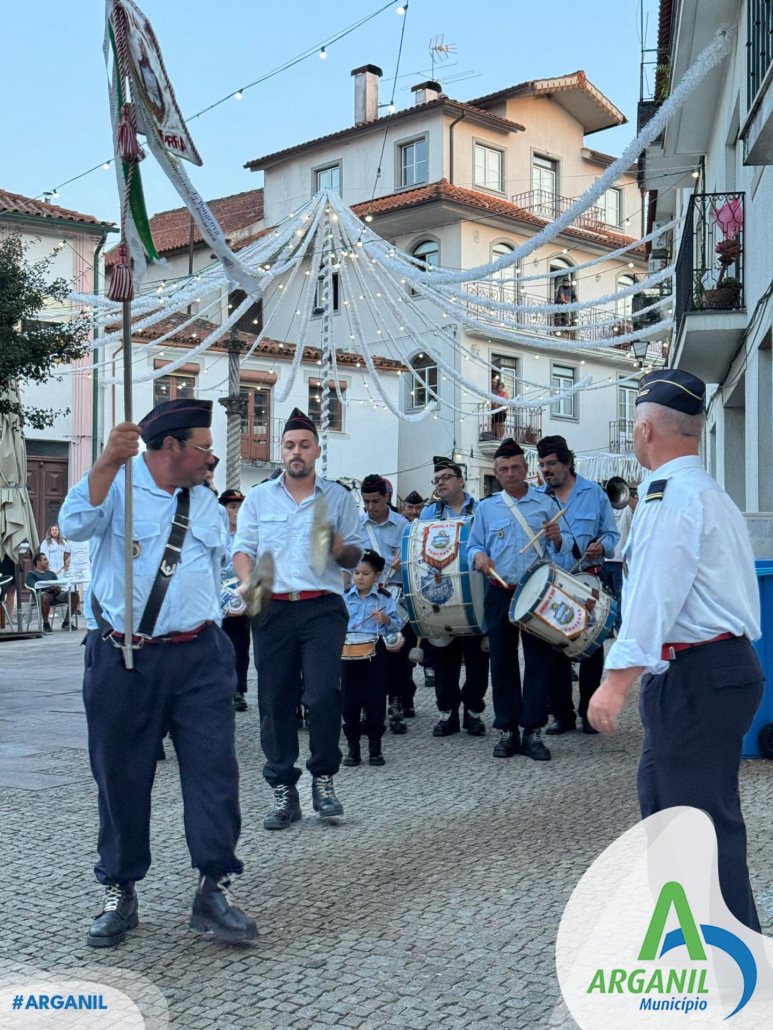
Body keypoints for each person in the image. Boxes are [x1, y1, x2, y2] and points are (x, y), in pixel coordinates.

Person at [59, 398, 256, 948]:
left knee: (214, 772)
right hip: (124, 657)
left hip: (200, 655)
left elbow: (219, 565)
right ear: (170, 447)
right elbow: (72, 524)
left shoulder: (207, 503)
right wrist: (102, 462)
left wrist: (240, 589)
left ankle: (214, 887)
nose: (211, 460)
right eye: (204, 448)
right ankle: (120, 889)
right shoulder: (118, 486)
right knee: (120, 776)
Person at [588, 370, 764, 933]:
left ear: (644, 429)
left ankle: (730, 976)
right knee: (686, 815)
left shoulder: (669, 498)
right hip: (717, 670)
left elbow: (652, 600)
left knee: (690, 824)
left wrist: (615, 683)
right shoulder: (709, 494)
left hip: (697, 674)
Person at [233, 408, 362, 831]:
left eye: (304, 445)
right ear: (281, 451)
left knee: (324, 694)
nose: (296, 452)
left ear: (317, 451)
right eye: (289, 445)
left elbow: (356, 556)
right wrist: (247, 581)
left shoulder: (338, 498)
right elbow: (243, 549)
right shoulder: (258, 497)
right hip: (272, 607)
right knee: (275, 701)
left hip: (322, 606)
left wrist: (340, 548)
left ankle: (324, 779)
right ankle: (283, 789)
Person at [467, 439, 574, 761]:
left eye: (515, 467)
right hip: (500, 593)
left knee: (538, 663)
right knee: (501, 663)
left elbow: (566, 543)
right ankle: (507, 729)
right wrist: (480, 558)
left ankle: (533, 731)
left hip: (537, 594)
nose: (510, 474)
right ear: (496, 473)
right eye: (503, 469)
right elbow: (471, 547)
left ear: (526, 469)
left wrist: (557, 538)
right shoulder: (486, 508)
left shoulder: (546, 503)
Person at [536, 434, 620, 736]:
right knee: (555, 650)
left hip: (587, 580)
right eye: (542, 464)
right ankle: (562, 715)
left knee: (591, 650)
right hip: (553, 584)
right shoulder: (538, 498)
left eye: (552, 463)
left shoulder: (594, 494)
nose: (546, 470)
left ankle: (588, 713)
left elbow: (611, 535)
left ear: (568, 462)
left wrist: (602, 547)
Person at [420, 457, 489, 738]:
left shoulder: (481, 509)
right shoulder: (428, 514)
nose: (440, 484)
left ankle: (473, 712)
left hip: (475, 593)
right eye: (436, 480)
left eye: (446, 478)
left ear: (461, 481)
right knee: (444, 657)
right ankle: (447, 714)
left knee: (477, 657)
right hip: (441, 595)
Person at [360, 474, 412, 732]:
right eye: (366, 502)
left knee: (396, 652)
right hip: (365, 599)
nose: (370, 507)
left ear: (387, 498)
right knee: (365, 652)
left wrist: (405, 561)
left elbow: (414, 560)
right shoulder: (357, 527)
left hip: (394, 596)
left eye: (375, 501)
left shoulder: (403, 525)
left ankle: (395, 703)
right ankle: (365, 706)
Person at [341, 549, 402, 768]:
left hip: (375, 652)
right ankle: (353, 746)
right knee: (349, 701)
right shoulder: (344, 598)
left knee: (375, 699)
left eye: (365, 573)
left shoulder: (385, 599)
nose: (360, 577)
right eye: (356, 572)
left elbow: (397, 624)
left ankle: (375, 747)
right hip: (348, 654)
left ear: (377, 575)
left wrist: (385, 619)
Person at [219, 488, 250, 712]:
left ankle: (238, 690)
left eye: (240, 507)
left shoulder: (247, 537)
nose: (237, 512)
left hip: (241, 599)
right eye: (232, 507)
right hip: (217, 601)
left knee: (240, 646)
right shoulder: (217, 535)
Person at [600, 487, 637, 633]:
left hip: (610, 559)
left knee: (610, 595)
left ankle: (612, 627)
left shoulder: (608, 512)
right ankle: (618, 626)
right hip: (615, 559)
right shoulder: (626, 510)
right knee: (617, 595)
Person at [25, 552, 80, 632]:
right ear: (38, 562)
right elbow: (33, 586)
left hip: (55, 594)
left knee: (74, 595)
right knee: (45, 596)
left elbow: (58, 586)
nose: (48, 561)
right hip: (41, 595)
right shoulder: (31, 574)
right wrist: (48, 587)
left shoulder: (51, 574)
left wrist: (56, 588)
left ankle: (66, 622)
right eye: (45, 560)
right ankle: (46, 623)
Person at [491, 375, 508, 440]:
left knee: (502, 424)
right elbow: (494, 403)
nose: (500, 388)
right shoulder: (496, 394)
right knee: (497, 424)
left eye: (501, 387)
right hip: (497, 411)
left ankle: (501, 436)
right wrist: (496, 405)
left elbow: (505, 402)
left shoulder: (505, 393)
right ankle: (498, 436)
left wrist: (500, 405)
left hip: (502, 411)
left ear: (503, 388)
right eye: (499, 387)